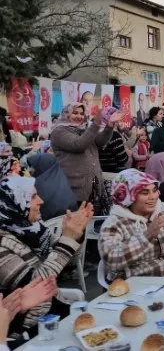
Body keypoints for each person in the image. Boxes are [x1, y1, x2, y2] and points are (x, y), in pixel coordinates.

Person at [0, 176, 94, 342]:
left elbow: (69, 262)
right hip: (30, 328)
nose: (41, 201)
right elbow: (38, 284)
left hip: (55, 310)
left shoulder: (34, 229)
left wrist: (76, 234)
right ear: (13, 205)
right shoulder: (2, 245)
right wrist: (68, 240)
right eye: (33, 197)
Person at [98, 169, 164, 281]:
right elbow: (112, 260)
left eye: (154, 190)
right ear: (128, 197)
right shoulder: (115, 224)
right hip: (136, 285)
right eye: (145, 193)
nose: (153, 197)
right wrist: (147, 236)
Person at [51, 103, 122, 214]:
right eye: (75, 113)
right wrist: (96, 124)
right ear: (66, 114)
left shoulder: (85, 129)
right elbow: (79, 144)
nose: (79, 116)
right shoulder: (59, 131)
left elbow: (100, 142)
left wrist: (109, 125)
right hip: (74, 189)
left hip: (94, 187)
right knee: (79, 225)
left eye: (82, 113)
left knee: (92, 225)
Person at [26, 154, 78, 221]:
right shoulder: (64, 176)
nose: (31, 170)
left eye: (33, 166)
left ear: (42, 165)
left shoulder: (37, 184)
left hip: (51, 223)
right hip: (74, 218)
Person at [97, 107, 129, 173]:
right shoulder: (115, 135)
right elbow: (122, 159)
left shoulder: (95, 133)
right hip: (115, 173)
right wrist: (127, 154)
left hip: (100, 171)